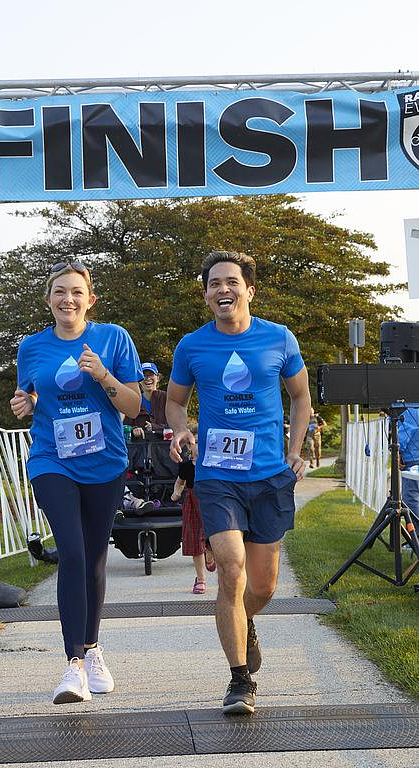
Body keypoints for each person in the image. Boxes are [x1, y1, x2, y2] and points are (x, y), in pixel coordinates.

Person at [166, 250, 310, 715]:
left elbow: (301, 397)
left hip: (269, 476)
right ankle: (239, 680)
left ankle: (245, 621)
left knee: (263, 587)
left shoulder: (279, 338)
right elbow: (174, 401)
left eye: (231, 282)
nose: (222, 289)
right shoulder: (191, 346)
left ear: (250, 290)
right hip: (216, 477)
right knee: (231, 569)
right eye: (214, 283)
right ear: (206, 294)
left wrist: (296, 447)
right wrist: (182, 427)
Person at [10, 260, 142, 704]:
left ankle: (93, 650)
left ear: (91, 300)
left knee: (94, 559)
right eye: (60, 292)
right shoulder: (30, 347)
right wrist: (25, 401)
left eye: (76, 292)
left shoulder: (113, 338)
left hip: (104, 461)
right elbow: (30, 390)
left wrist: (103, 375)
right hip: (52, 459)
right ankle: (72, 666)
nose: (68, 299)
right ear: (48, 300)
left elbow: (136, 404)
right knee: (70, 551)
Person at [171, 425, 216, 594]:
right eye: (193, 442)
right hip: (192, 502)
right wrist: (176, 492)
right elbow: (180, 481)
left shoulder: (211, 463)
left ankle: (210, 553)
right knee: (195, 540)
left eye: (200, 441)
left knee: (213, 537)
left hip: (210, 501)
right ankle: (201, 578)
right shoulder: (186, 466)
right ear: (189, 447)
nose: (196, 445)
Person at [124, 362, 168, 438]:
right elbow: (125, 426)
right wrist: (134, 429)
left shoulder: (166, 398)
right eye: (144, 375)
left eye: (151, 374)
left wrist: (154, 427)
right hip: (140, 447)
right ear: (139, 379)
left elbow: (174, 424)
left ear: (157, 378)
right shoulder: (133, 400)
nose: (147, 378)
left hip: (164, 447)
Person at [398, 406, 419, 537]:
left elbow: (405, 432)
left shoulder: (410, 409)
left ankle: (416, 537)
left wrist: (399, 452)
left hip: (413, 459)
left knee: (410, 500)